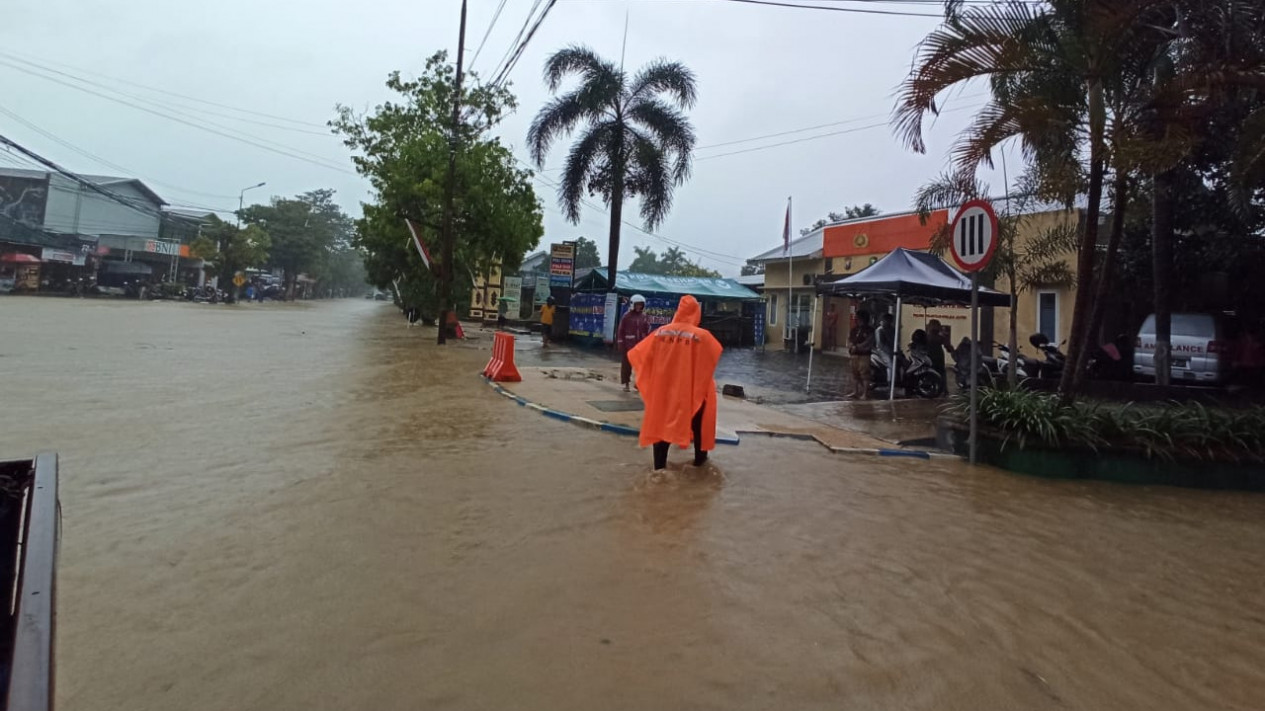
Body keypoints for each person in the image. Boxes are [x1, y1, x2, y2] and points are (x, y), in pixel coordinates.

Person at [628, 295, 723, 471]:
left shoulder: (660, 332)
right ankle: (700, 467)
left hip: (664, 393)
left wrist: (642, 380)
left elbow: (640, 355)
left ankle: (659, 469)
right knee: (699, 429)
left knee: (661, 430)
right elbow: (713, 356)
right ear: (696, 313)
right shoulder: (702, 336)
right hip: (692, 394)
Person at [617, 294, 653, 392]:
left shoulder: (644, 317)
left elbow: (648, 330)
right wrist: (620, 343)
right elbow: (621, 330)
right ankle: (626, 383)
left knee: (641, 366)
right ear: (633, 304)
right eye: (637, 305)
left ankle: (638, 384)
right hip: (628, 345)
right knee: (626, 365)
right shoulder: (626, 316)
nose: (639, 307)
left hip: (641, 345)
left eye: (641, 305)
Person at [847, 310, 875, 399]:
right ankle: (855, 392)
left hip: (864, 355)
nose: (857, 320)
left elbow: (869, 342)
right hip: (854, 355)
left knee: (865, 374)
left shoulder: (870, 330)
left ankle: (865, 394)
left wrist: (858, 347)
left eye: (859, 318)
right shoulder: (854, 329)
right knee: (854, 374)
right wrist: (851, 346)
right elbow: (849, 339)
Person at [926, 320, 953, 395]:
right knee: (941, 372)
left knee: (930, 371)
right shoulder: (941, 337)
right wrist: (952, 350)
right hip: (939, 356)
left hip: (929, 355)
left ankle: (931, 388)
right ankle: (944, 389)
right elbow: (948, 347)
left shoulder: (927, 337)